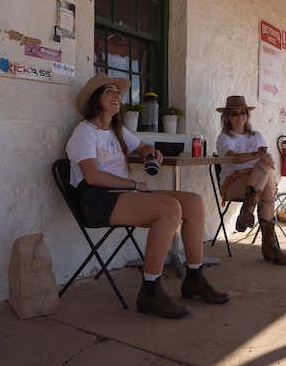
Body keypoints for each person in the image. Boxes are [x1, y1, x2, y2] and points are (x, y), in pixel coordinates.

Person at [65, 74, 230, 319]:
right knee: (170, 209)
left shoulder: (116, 130)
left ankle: (195, 278)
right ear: (95, 99)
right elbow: (92, 177)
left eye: (117, 91)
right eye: (109, 91)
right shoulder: (84, 133)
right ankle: (150, 291)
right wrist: (134, 184)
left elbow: (140, 146)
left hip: (121, 194)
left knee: (193, 202)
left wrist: (149, 152)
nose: (116, 95)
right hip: (97, 201)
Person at [215, 95, 286, 266]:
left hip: (258, 183)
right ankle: (270, 248)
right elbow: (233, 158)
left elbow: (267, 160)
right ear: (227, 116)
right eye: (235, 113)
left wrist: (264, 158)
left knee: (265, 176)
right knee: (264, 169)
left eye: (243, 112)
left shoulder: (256, 136)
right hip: (233, 182)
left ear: (247, 115)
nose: (239, 116)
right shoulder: (224, 138)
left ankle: (248, 210)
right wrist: (258, 155)